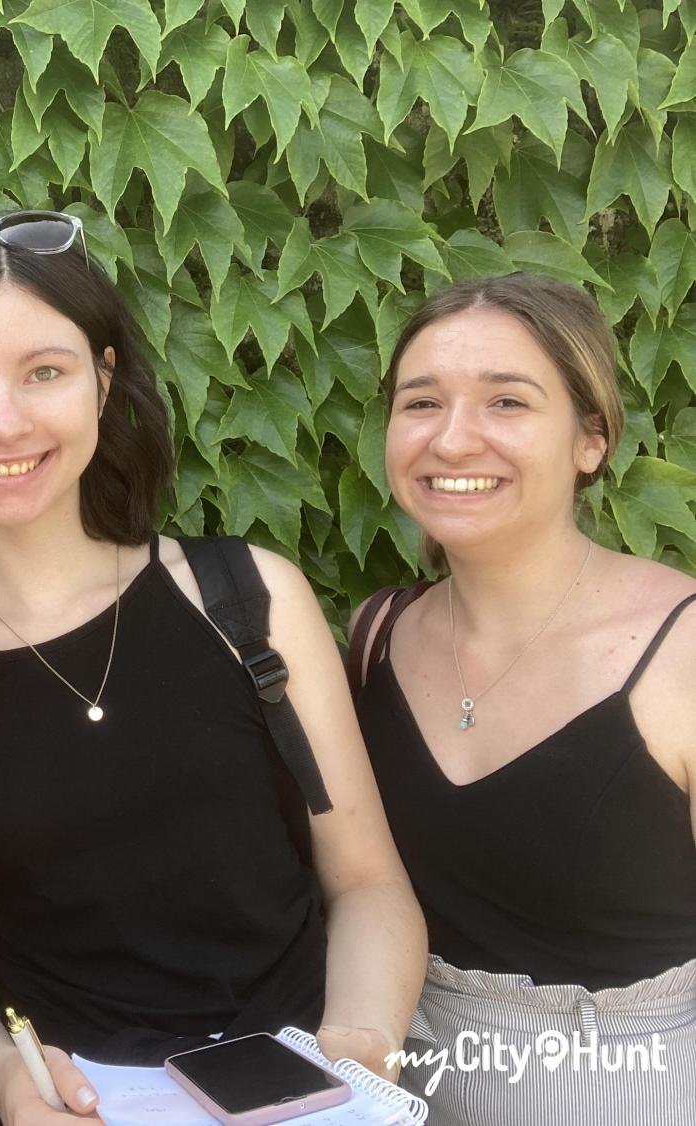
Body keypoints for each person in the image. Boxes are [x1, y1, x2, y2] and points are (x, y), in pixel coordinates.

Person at [0, 212, 426, 1125]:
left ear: (103, 381)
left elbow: (369, 883)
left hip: (315, 1089)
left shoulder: (250, 599)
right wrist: (6, 1080)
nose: (5, 420)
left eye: (45, 372)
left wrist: (351, 1055)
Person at [348, 272, 696, 1123]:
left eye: (507, 402)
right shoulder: (374, 635)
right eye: (421, 403)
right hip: (398, 1083)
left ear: (591, 440)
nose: (452, 440)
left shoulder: (683, 650)